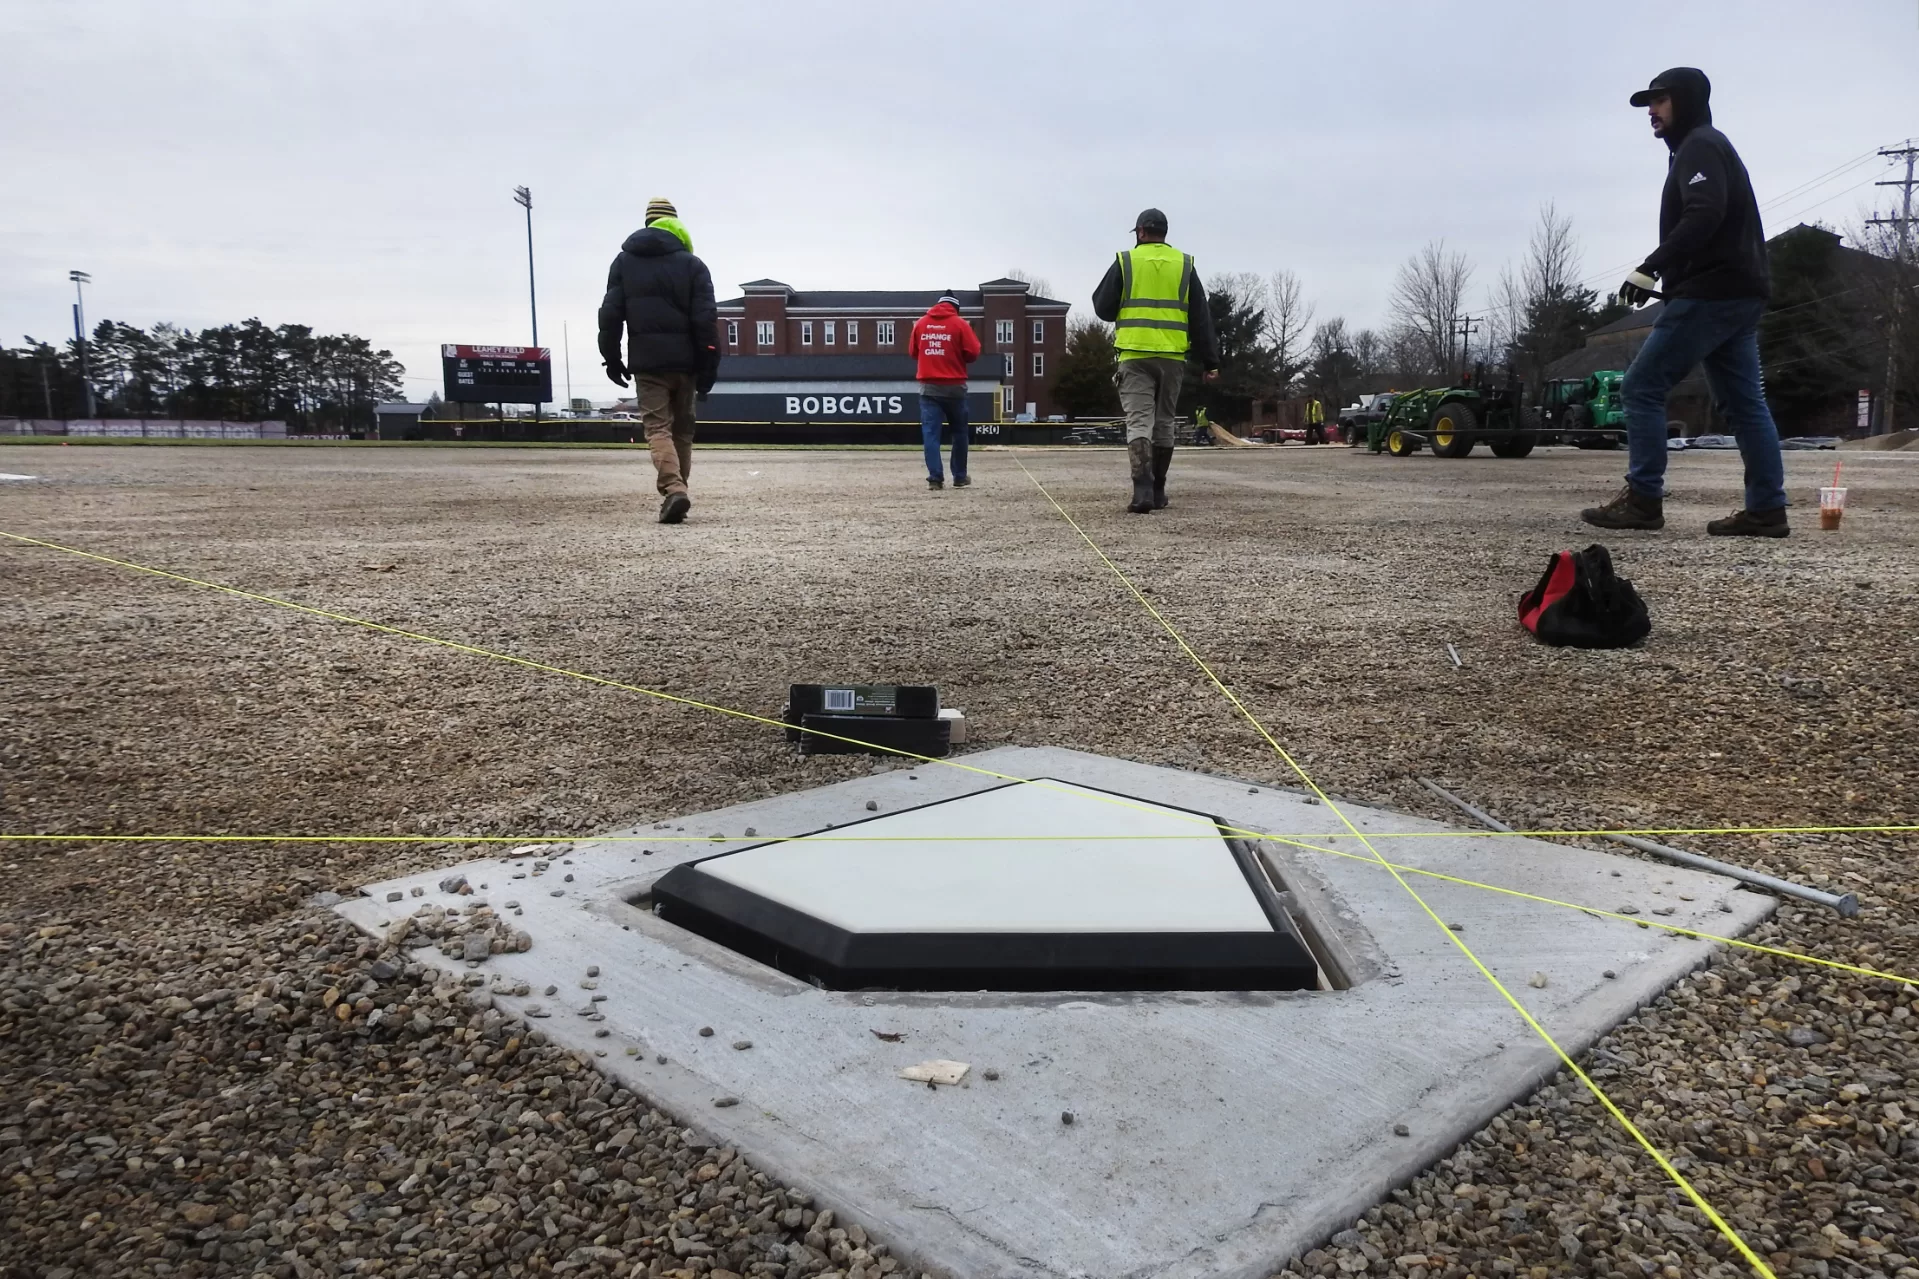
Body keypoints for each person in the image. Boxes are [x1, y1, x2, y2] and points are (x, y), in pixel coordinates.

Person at [1581, 68, 1786, 537]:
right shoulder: (1703, 147)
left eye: (1660, 100)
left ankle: (1644, 500)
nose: (1651, 111)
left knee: (1640, 386)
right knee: (1744, 403)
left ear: (1687, 101)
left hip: (1712, 292)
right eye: (1648, 103)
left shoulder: (1701, 144)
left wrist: (1652, 264)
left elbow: (1705, 213)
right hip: (1740, 291)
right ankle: (1767, 509)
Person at [598, 197, 719, 525]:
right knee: (682, 431)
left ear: (648, 224)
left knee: (657, 428)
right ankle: (677, 490)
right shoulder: (694, 266)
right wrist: (709, 368)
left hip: (649, 365)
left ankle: (673, 489)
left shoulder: (624, 263)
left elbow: (611, 315)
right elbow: (706, 321)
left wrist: (611, 357)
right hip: (687, 364)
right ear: (676, 224)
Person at [1092, 208, 1219, 513]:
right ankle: (1159, 490)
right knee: (1164, 422)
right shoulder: (1185, 265)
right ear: (1165, 233)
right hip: (1173, 357)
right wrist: (1210, 362)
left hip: (1134, 355)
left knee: (1139, 422)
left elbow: (1103, 307)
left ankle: (1142, 491)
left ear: (1140, 232)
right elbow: (1201, 317)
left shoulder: (1126, 261)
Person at [908, 292, 981, 490]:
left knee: (931, 434)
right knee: (959, 432)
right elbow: (973, 353)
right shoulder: (960, 325)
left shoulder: (921, 324)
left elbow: (913, 352)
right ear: (956, 308)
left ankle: (935, 478)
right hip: (955, 388)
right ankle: (959, 476)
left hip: (929, 388)